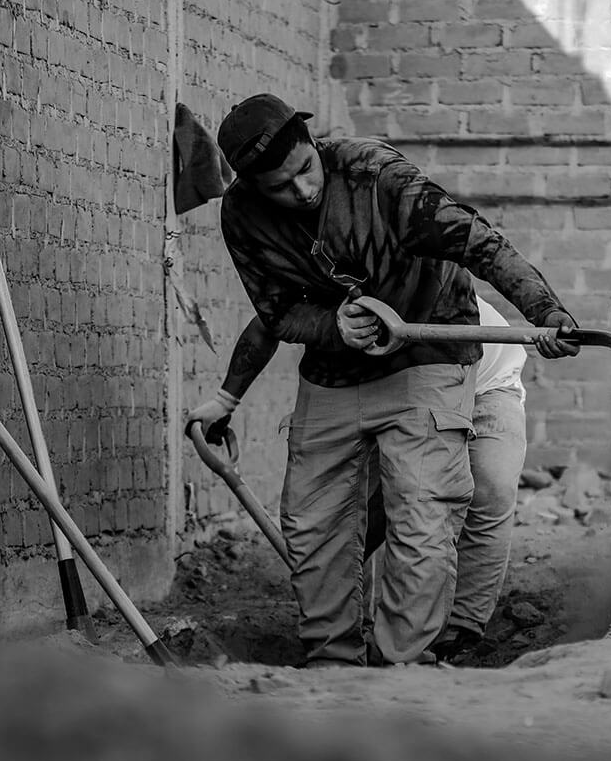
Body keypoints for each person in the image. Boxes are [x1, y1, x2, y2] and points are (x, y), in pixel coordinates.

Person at [185, 93, 578, 667]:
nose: (301, 192)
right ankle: (332, 660)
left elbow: (478, 242)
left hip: (430, 352)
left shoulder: (377, 178)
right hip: (336, 370)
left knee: (426, 508)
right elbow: (274, 314)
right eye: (279, 187)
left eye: (304, 171)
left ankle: (412, 660)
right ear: (249, 184)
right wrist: (328, 327)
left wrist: (545, 311)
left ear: (311, 144)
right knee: (312, 520)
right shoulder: (242, 216)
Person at [363, 295, 529, 665]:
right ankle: (352, 624)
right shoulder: (360, 314)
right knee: (382, 498)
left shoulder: (438, 292)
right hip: (406, 391)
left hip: (490, 387)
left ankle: (460, 633)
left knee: (492, 489)